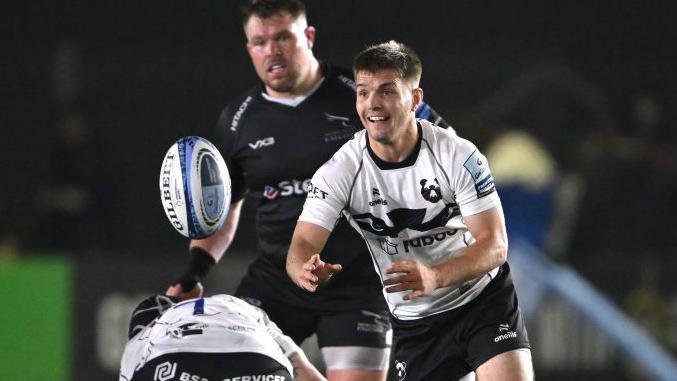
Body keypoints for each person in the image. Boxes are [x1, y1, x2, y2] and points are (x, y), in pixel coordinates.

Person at [165, 1, 447, 380]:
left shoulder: (362, 95)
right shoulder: (237, 121)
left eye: (283, 37)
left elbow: (445, 150)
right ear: (249, 49)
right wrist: (194, 272)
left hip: (357, 282)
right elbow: (222, 208)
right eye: (260, 42)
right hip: (278, 282)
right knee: (227, 367)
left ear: (308, 37)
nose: (273, 50)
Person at [286, 41, 533, 381]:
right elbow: (300, 245)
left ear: (415, 100)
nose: (372, 103)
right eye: (363, 92)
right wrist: (304, 269)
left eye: (386, 91)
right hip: (416, 323)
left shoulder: (458, 155)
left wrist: (435, 276)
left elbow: (495, 245)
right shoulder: (339, 171)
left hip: (483, 301)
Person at [119, 294, 326, 381]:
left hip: (175, 360)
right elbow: (301, 367)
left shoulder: (143, 337)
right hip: (259, 358)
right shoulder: (236, 305)